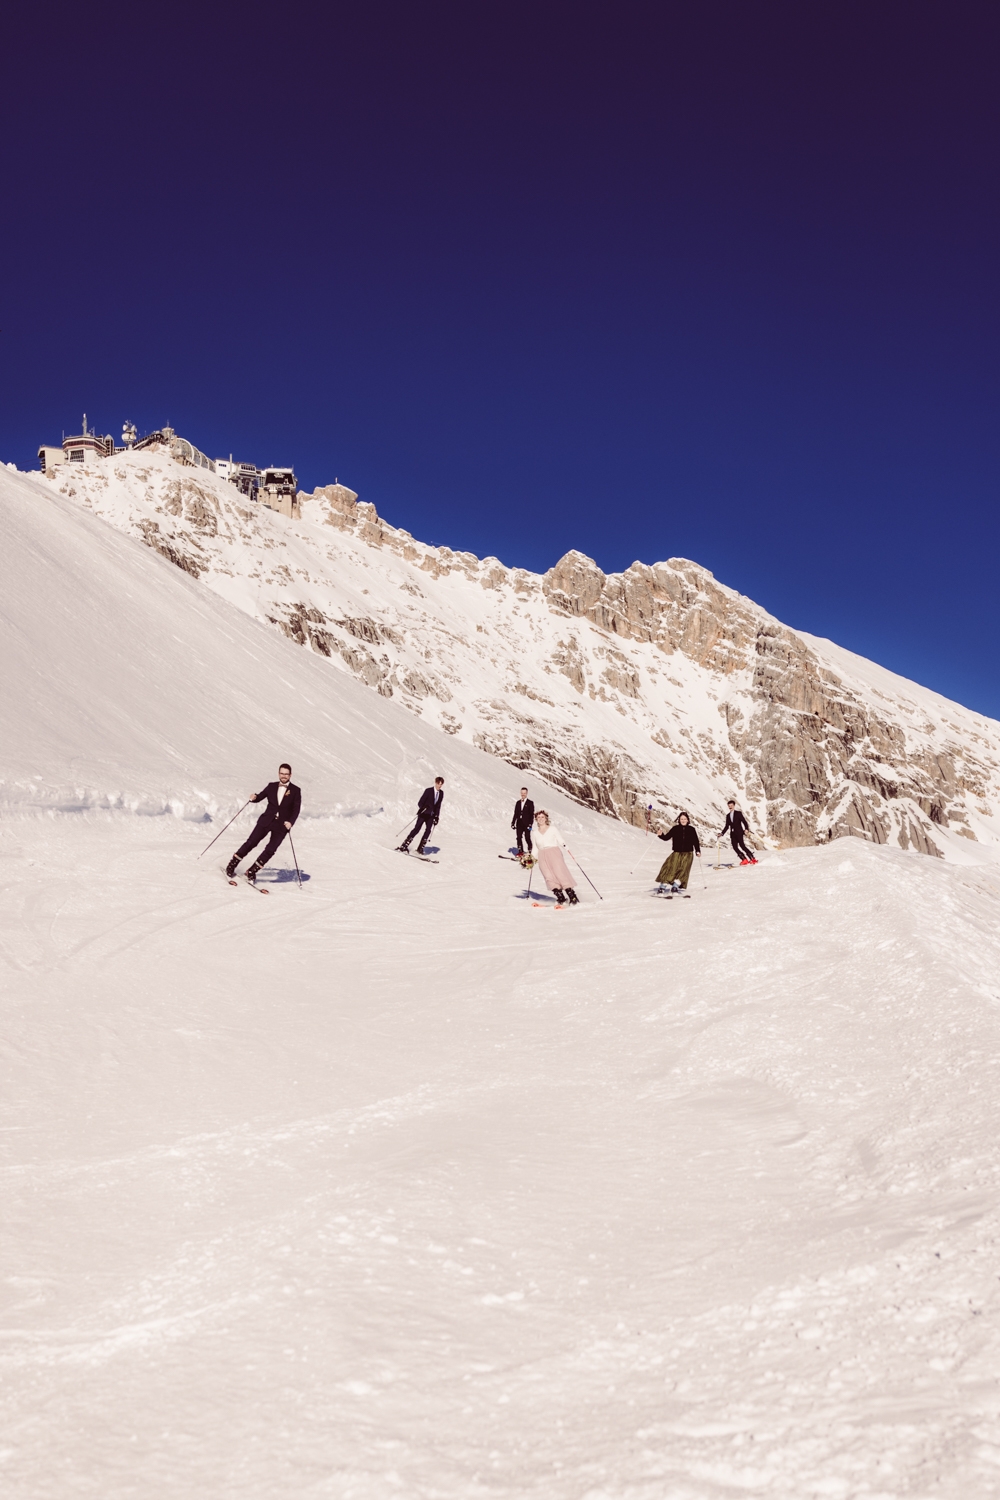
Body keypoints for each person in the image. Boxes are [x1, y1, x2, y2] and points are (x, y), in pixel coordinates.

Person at [226, 763, 302, 883]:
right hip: (266, 821)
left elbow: (296, 809)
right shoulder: (271, 786)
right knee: (251, 842)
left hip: (282, 826)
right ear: (278, 774)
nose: (284, 776)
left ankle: (252, 871)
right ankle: (232, 865)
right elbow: (260, 796)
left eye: (286, 774)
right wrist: (254, 797)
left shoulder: (296, 790)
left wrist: (291, 822)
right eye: (282, 773)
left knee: (270, 850)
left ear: (290, 775)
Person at [532, 810, 579, 905]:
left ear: (546, 818)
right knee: (548, 876)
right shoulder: (534, 832)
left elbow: (560, 839)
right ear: (536, 819)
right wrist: (531, 859)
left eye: (542, 817)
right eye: (538, 817)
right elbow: (535, 847)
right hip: (542, 854)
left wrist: (565, 846)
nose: (541, 819)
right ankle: (561, 898)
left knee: (560, 873)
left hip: (554, 852)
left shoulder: (552, 829)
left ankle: (572, 897)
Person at [654, 811, 701, 891]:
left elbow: (695, 841)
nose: (683, 820)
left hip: (688, 853)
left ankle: (675, 887)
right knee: (671, 868)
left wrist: (698, 851)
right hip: (676, 853)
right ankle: (662, 886)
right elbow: (666, 837)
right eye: (681, 819)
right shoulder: (675, 829)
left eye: (684, 819)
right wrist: (661, 835)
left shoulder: (691, 829)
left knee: (683, 870)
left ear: (688, 820)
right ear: (679, 820)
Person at [398, 777, 444, 855]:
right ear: (435, 783)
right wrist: (423, 807)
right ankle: (404, 845)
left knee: (428, 830)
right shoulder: (428, 791)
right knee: (417, 829)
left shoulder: (441, 793)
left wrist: (436, 816)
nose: (439, 786)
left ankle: (420, 849)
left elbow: (438, 806)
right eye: (438, 784)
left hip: (431, 815)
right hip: (423, 813)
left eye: (441, 784)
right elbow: (420, 802)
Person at [719, 800, 756, 864]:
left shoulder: (738, 813)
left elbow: (744, 821)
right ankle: (744, 859)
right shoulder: (728, 816)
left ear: (734, 806)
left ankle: (752, 859)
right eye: (729, 806)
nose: (730, 807)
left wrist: (746, 829)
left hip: (739, 832)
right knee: (735, 847)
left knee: (742, 846)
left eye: (731, 805)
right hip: (733, 834)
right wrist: (722, 833)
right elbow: (727, 826)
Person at [511, 787, 535, 857]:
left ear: (527, 793)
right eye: (522, 793)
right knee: (518, 837)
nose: (523, 794)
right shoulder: (518, 803)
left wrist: (530, 824)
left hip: (527, 823)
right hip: (519, 823)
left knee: (527, 837)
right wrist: (513, 823)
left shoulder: (530, 803)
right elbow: (515, 814)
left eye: (524, 793)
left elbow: (531, 815)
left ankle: (530, 850)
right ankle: (520, 852)